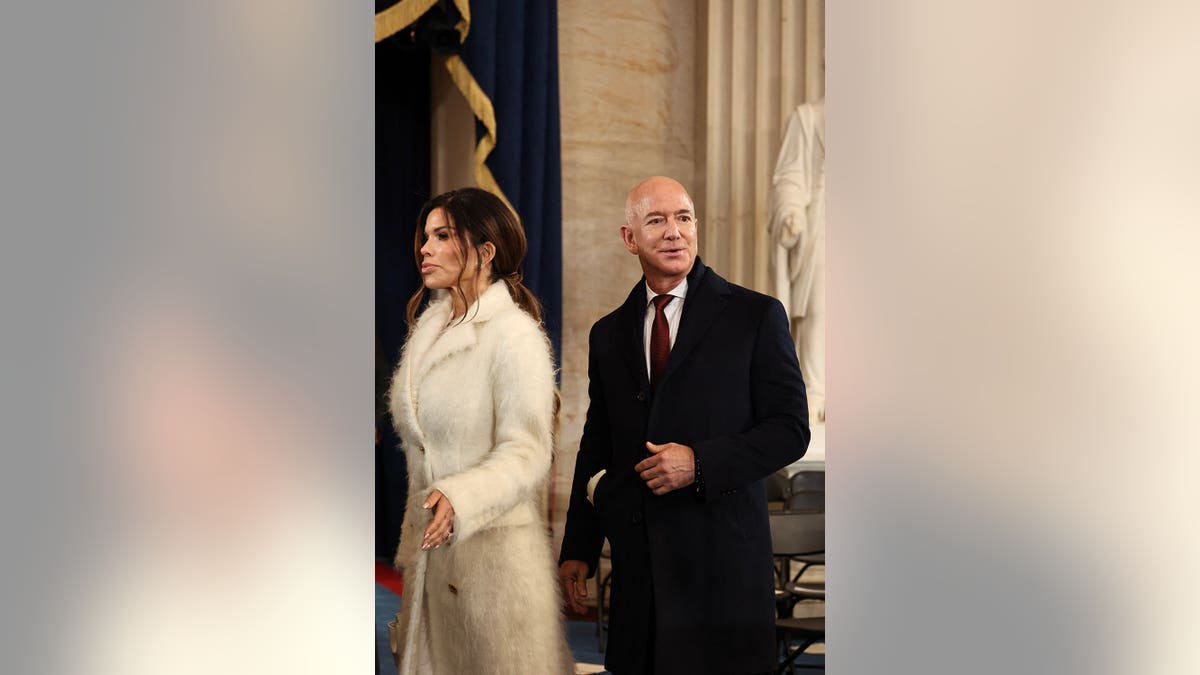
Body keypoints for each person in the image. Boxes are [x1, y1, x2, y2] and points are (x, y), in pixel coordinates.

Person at [558, 177, 810, 675]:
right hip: (641, 569)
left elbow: (790, 428)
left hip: (723, 569)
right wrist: (578, 549)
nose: (674, 232)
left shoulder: (755, 315)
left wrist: (700, 463)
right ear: (630, 238)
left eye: (684, 218)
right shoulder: (608, 334)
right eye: (656, 220)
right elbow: (597, 445)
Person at [388, 187, 572, 675]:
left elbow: (528, 451)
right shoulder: (427, 331)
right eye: (425, 236)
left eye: (443, 236)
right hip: (432, 567)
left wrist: (460, 496)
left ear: (485, 252)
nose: (425, 248)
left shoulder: (513, 335)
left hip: (493, 573)